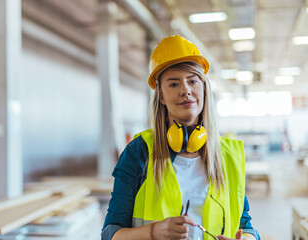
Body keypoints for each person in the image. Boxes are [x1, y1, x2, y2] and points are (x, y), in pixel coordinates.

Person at [101, 35, 260, 240]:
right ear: (161, 95)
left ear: (203, 87)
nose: (185, 90)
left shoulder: (228, 155)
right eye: (174, 84)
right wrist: (154, 232)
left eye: (192, 81)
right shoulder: (140, 151)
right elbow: (109, 234)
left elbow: (246, 225)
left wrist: (247, 239)